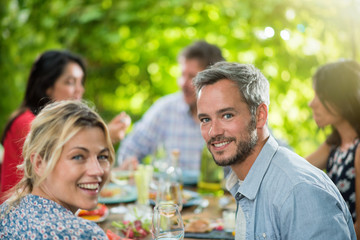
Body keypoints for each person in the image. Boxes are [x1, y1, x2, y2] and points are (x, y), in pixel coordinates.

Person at [193, 62, 356, 239]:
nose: (214, 131)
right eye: (205, 119)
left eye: (227, 115)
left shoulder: (300, 192)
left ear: (260, 115)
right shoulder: (244, 182)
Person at [0, 50, 130, 199]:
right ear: (47, 86)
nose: (80, 90)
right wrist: (105, 137)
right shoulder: (28, 123)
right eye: (70, 82)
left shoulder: (48, 123)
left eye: (81, 82)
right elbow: (63, 168)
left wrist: (118, 173)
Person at [0, 100, 113, 239]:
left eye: (102, 156)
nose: (97, 170)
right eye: (78, 157)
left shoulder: (6, 210)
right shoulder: (84, 234)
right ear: (39, 163)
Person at [117, 40, 225, 183]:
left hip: (219, 199)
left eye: (192, 77)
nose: (183, 83)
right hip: (171, 199)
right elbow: (128, 152)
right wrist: (135, 171)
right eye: (182, 75)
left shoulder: (231, 114)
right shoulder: (165, 110)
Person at [306, 60, 360, 237]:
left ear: (341, 97)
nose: (311, 103)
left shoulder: (358, 150)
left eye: (319, 95)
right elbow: (296, 170)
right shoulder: (335, 145)